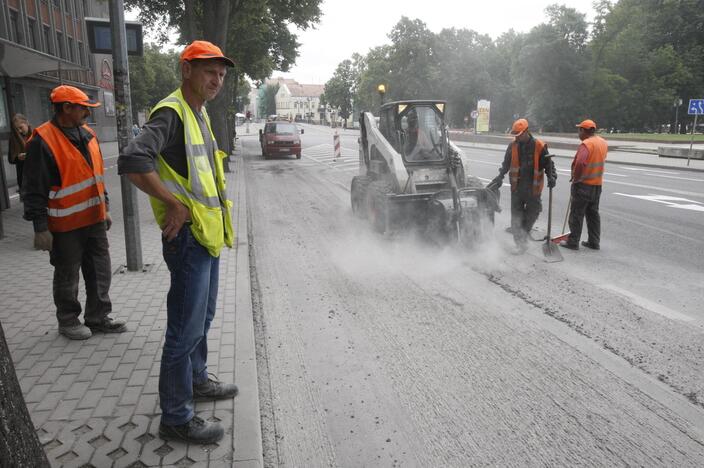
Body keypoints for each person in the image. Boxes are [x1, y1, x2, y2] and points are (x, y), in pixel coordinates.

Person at [117, 40, 237, 445]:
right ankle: (176, 416)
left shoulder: (198, 113)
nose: (216, 80)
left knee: (202, 321)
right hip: (187, 239)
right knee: (183, 332)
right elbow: (133, 160)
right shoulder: (172, 111)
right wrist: (172, 204)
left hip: (206, 237)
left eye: (221, 74)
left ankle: (198, 381)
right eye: (209, 71)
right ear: (186, 70)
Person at [22, 85, 126, 340]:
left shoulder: (88, 135)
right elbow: (34, 189)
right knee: (68, 273)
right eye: (83, 109)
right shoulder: (42, 140)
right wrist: (40, 228)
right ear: (66, 108)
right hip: (65, 225)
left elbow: (97, 177)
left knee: (100, 269)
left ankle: (98, 317)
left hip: (94, 220)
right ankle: (68, 321)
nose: (87, 115)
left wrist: (106, 208)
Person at [490, 118, 556, 253]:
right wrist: (500, 177)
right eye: (515, 135)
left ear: (526, 131)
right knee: (516, 217)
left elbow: (549, 165)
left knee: (533, 213)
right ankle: (520, 244)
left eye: (519, 135)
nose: (517, 137)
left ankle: (524, 233)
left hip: (533, 189)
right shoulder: (512, 146)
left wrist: (552, 177)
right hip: (517, 188)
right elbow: (506, 164)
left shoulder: (539, 146)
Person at [559, 119, 607, 250]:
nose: (578, 133)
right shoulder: (602, 142)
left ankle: (573, 241)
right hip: (597, 185)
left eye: (579, 130)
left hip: (583, 185)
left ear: (583, 131)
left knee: (576, 214)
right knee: (593, 214)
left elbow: (580, 163)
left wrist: (576, 178)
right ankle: (594, 241)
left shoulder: (586, 144)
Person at [9, 113, 32, 194]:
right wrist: (18, 158)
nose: (19, 131)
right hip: (23, 179)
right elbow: (11, 159)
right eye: (16, 129)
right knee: (29, 204)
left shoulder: (35, 135)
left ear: (27, 123)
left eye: (20, 127)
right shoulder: (14, 139)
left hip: (37, 176)